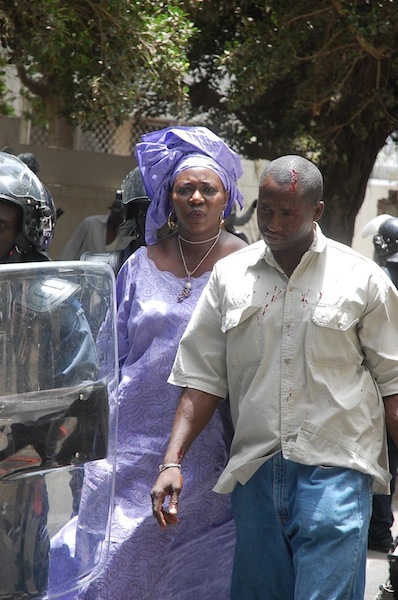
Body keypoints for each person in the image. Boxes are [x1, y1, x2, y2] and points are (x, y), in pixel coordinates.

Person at [151, 154, 398, 600]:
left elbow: (394, 386)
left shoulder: (362, 279)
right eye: (266, 209)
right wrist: (173, 461)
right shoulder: (229, 277)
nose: (273, 222)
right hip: (256, 474)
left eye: (288, 212)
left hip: (336, 472)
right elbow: (203, 378)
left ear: (316, 212)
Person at [54, 125, 247, 600]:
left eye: (208, 188)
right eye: (186, 188)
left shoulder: (249, 265)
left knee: (194, 564)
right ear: (169, 196)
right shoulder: (139, 264)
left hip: (209, 443)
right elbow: (108, 355)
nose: (197, 198)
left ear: (226, 197)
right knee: (112, 558)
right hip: (129, 443)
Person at [0, 151, 99, 598]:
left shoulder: (55, 300)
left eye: (0, 224)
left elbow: (83, 393)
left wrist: (28, 437)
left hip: (20, 476)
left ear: (28, 227)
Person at [362, 214, 398, 553]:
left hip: (379, 385)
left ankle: (379, 530)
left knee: (382, 461)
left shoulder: (378, 279)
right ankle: (380, 531)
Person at [60, 193, 135, 260]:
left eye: (121, 217)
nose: (118, 219)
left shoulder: (127, 233)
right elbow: (72, 247)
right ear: (112, 212)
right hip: (83, 271)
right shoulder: (90, 223)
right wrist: (63, 269)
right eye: (116, 215)